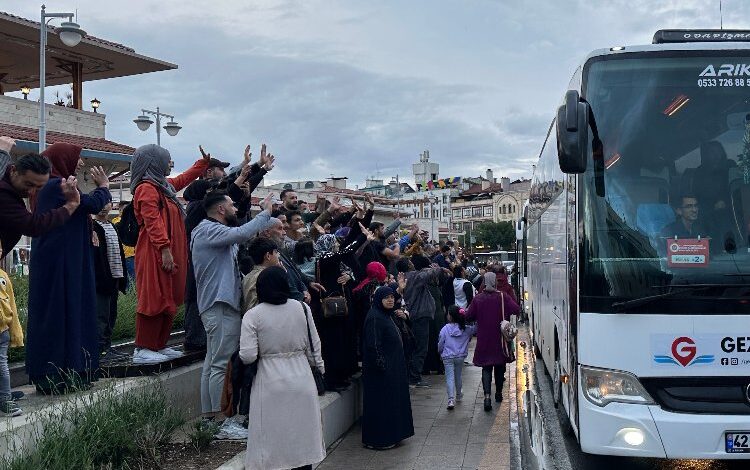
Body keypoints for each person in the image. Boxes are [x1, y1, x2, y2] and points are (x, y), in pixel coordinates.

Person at [26, 143, 111, 394]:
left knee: (65, 312)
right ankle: (61, 373)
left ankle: (67, 371)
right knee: (63, 312)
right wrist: (104, 187)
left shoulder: (51, 186)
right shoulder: (54, 185)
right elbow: (92, 204)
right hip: (62, 263)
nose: (81, 163)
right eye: (77, 158)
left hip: (62, 259)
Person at [191, 192, 274, 419]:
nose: (235, 209)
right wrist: (266, 211)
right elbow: (242, 233)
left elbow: (240, 234)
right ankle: (220, 419)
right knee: (220, 364)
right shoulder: (209, 229)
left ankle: (211, 417)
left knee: (212, 362)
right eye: (232, 205)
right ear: (220, 209)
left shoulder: (210, 231)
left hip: (217, 305)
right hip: (219, 305)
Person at [239, 266, 326, 470]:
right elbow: (315, 346)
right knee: (302, 439)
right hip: (302, 378)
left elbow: (248, 355)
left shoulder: (253, 316)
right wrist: (319, 368)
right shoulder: (301, 308)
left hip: (269, 381)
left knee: (272, 440)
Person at [131, 144, 209, 364]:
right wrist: (164, 249)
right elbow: (152, 221)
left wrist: (202, 165)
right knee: (154, 297)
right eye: (167, 160)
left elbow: (183, 179)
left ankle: (158, 344)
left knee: (170, 296)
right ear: (154, 162)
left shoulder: (163, 186)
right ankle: (143, 347)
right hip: (155, 250)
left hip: (170, 249)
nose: (170, 164)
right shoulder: (146, 188)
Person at [0, 138, 80, 259]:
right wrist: (71, 205)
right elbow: (33, 225)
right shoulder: (4, 194)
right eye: (29, 184)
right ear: (14, 171)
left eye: (39, 187)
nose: (32, 192)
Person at [361, 286, 414, 450]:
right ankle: (380, 439)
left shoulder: (386, 315)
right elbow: (373, 345)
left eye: (392, 297)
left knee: (393, 403)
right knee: (382, 405)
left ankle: (395, 434)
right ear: (379, 299)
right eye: (386, 297)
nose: (391, 300)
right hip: (382, 372)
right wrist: (382, 365)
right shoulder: (375, 317)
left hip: (393, 369)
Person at [465, 272, 519, 411]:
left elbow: (469, 316)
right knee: (500, 367)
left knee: (486, 368)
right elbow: (516, 309)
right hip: (499, 339)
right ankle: (499, 393)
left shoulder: (478, 299)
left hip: (484, 339)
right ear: (495, 282)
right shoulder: (502, 296)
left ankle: (487, 397)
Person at [398, 255, 446, 387]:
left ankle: (413, 375)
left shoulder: (404, 277)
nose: (412, 263)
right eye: (409, 262)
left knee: (415, 347)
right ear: (408, 265)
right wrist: (436, 267)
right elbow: (430, 274)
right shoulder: (413, 276)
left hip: (412, 314)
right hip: (419, 315)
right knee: (420, 348)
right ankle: (415, 377)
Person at [92, 202, 129, 362]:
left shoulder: (112, 226)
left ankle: (107, 347)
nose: (102, 206)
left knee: (110, 315)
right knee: (101, 316)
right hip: (102, 280)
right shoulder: (92, 227)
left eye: (106, 203)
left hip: (115, 277)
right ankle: (100, 351)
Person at [438, 305, 477, 410]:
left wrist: (440, 352)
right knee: (458, 375)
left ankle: (450, 400)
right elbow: (475, 329)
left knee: (449, 377)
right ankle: (459, 395)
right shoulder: (465, 329)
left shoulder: (445, 329)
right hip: (460, 357)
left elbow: (441, 343)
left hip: (447, 357)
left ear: (450, 316)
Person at [0, 250, 24, 416]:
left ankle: (5, 398)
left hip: (2, 330)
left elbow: (13, 306)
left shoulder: (3, 276)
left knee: (1, 365)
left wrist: (16, 333)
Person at [242, 237, 281, 313]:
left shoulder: (248, 276)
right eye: (276, 252)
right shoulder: (267, 276)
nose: (278, 255)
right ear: (268, 256)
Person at [112, 201, 136, 282]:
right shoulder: (116, 221)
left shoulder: (132, 220)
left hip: (134, 254)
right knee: (131, 280)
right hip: (126, 255)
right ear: (120, 210)